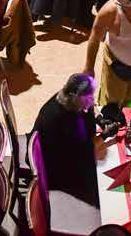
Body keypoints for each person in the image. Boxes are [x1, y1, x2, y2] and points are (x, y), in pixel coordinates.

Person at [32, 73, 104, 206]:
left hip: (59, 154)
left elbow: (87, 132)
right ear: (77, 97)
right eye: (89, 97)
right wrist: (103, 136)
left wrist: (98, 118)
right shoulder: (65, 120)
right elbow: (84, 150)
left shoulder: (66, 100)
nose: (93, 100)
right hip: (54, 171)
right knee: (100, 177)